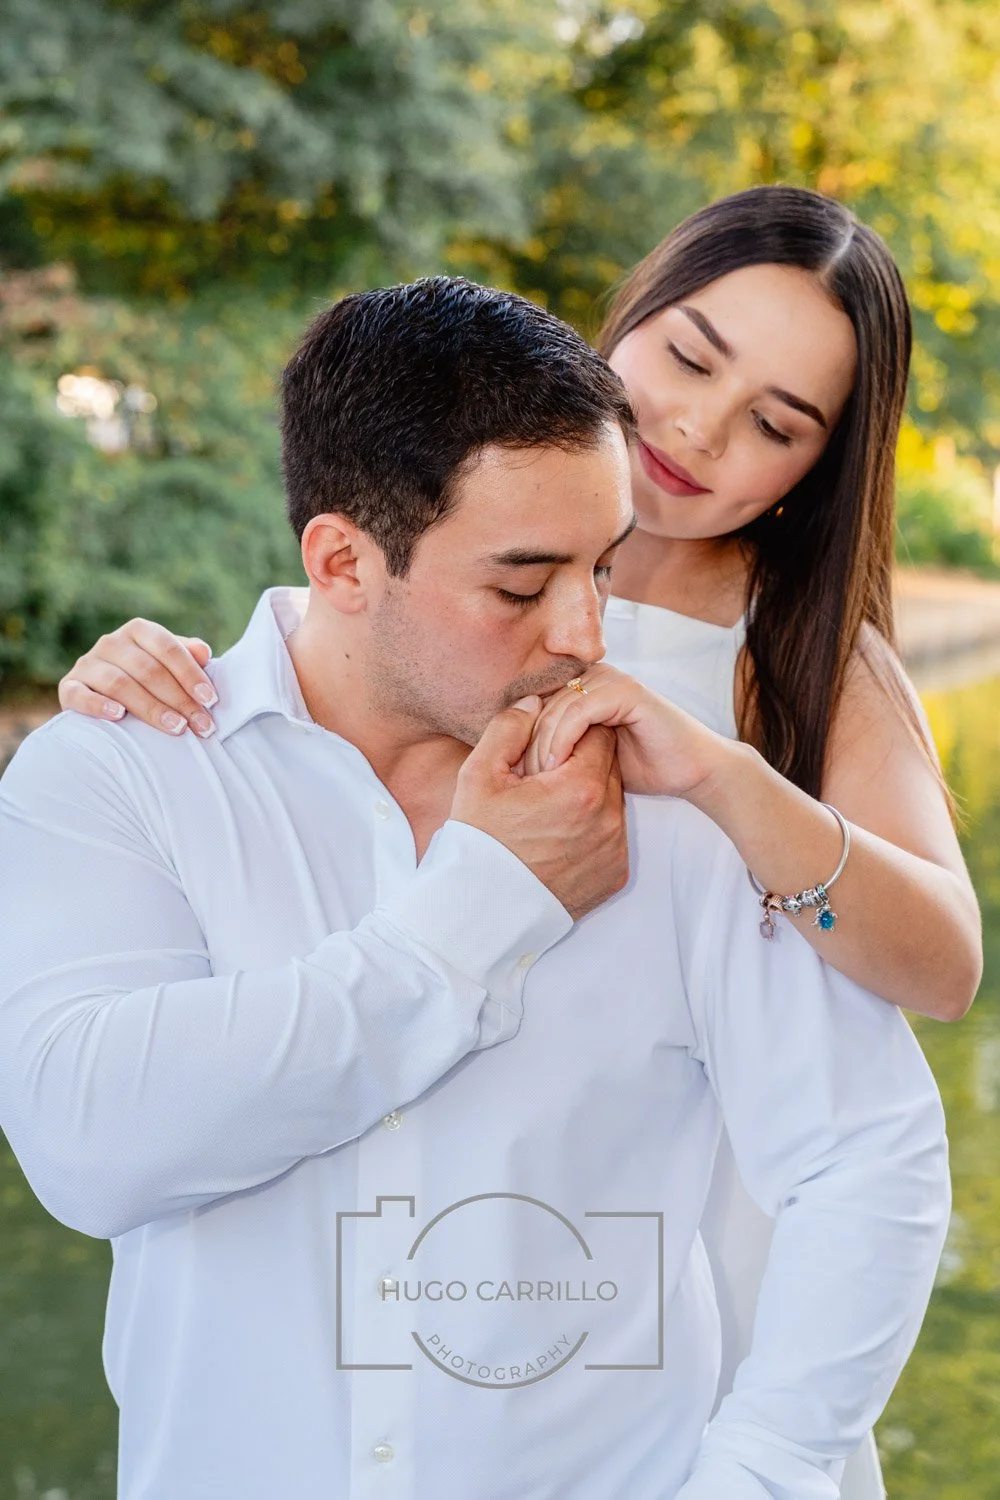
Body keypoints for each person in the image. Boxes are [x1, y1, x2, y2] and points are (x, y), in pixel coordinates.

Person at [63, 188, 982, 1496]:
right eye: (689, 357)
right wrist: (135, 668)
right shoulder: (452, 549)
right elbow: (326, 673)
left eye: (776, 423)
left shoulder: (809, 659)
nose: (695, 428)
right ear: (636, 310)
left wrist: (724, 778)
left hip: (700, 1260)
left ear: (823, 461)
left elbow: (943, 974)